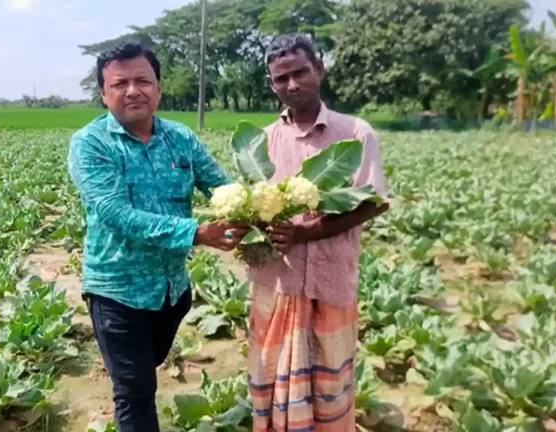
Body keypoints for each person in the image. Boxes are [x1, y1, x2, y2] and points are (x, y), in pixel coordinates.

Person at [66, 42, 249, 432]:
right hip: (117, 292)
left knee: (146, 367)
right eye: (120, 84)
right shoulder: (91, 143)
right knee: (135, 392)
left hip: (172, 291)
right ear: (104, 94)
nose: (133, 91)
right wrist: (197, 233)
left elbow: (219, 187)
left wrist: (258, 209)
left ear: (159, 88)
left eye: (143, 81)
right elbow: (116, 213)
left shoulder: (180, 138)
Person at [246, 34, 391, 431]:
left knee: (330, 385)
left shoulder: (355, 133)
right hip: (277, 284)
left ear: (320, 70)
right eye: (281, 78)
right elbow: (254, 207)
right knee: (272, 382)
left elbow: (374, 202)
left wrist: (304, 232)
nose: (292, 85)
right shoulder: (262, 142)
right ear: (271, 84)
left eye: (300, 73)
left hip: (331, 281)